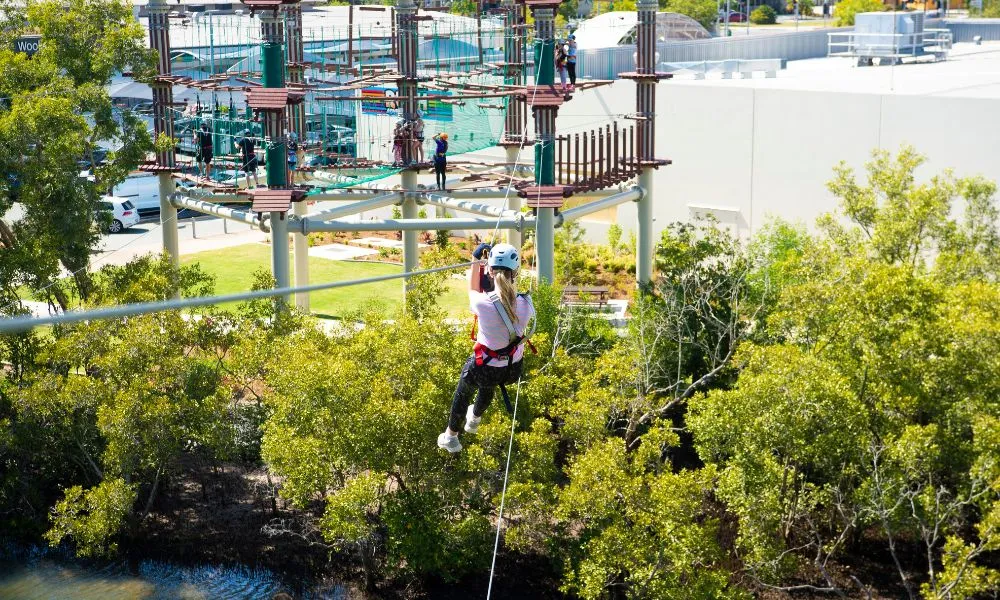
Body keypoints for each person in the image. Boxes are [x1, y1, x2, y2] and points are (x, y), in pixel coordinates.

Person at [437, 243, 535, 454]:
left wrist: (475, 260)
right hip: (512, 370)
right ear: (515, 273)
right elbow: (507, 301)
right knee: (488, 385)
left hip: (485, 368)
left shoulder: (482, 303)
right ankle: (474, 419)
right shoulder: (527, 304)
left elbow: (473, 288)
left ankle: (451, 437)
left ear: (490, 270)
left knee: (464, 392)